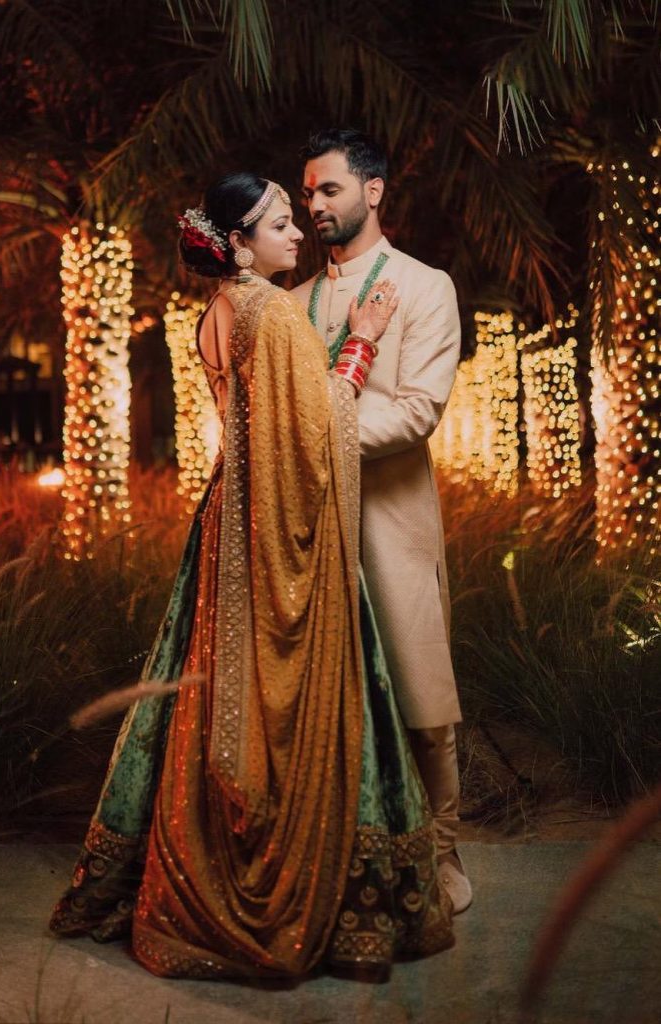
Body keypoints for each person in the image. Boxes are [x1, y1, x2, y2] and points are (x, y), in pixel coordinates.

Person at [48, 172, 454, 978]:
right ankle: (273, 878)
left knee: (208, 688)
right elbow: (316, 429)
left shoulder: (218, 311)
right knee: (283, 702)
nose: (295, 232)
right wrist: (365, 337)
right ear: (238, 242)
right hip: (273, 533)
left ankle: (190, 857)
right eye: (276, 223)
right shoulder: (270, 311)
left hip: (226, 521)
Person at [292, 128, 472, 913]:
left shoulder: (425, 286)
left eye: (327, 189)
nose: (313, 205)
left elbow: (416, 413)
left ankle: (442, 856)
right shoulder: (291, 303)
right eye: (305, 194)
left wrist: (304, 433)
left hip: (389, 522)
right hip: (302, 527)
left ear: (372, 191)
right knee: (320, 700)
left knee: (417, 695)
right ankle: (337, 860)